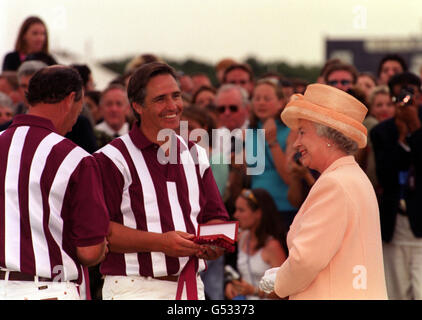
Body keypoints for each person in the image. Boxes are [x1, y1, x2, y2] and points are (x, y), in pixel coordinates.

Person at [93, 62, 229, 300]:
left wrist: (212, 244)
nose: (172, 106)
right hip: (134, 288)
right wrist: (160, 243)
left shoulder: (196, 154)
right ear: (137, 106)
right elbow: (102, 231)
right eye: (160, 99)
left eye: (176, 96)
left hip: (190, 285)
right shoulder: (112, 158)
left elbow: (216, 216)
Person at [260, 83, 387, 299]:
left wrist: (279, 282)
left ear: (328, 138)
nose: (296, 143)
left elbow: (306, 260)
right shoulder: (352, 176)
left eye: (302, 132)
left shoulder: (335, 184)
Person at [0, 65, 109, 300]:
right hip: (49, 289)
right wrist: (101, 248)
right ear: (71, 99)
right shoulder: (76, 159)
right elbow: (89, 252)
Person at [371, 72, 422, 300]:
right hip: (394, 222)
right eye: (400, 95)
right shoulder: (381, 132)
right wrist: (401, 137)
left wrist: (417, 130)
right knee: (396, 292)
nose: (406, 100)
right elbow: (386, 175)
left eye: (411, 93)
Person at [246, 79, 297, 228]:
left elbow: (289, 178)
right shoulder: (251, 131)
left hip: (283, 210)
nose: (261, 103)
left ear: (281, 102)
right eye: (257, 98)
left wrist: (272, 141)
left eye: (267, 99)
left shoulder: (292, 130)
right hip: (256, 211)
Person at [225, 189, 287, 300]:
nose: (235, 215)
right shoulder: (242, 238)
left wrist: (254, 291)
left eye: (241, 210)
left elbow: (284, 292)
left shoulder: (273, 246)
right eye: (236, 209)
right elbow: (231, 269)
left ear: (258, 213)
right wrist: (230, 284)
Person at [94, 84, 130, 148]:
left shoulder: (135, 136)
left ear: (128, 108)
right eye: (109, 104)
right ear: (101, 108)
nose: (114, 109)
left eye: (119, 104)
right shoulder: (92, 136)